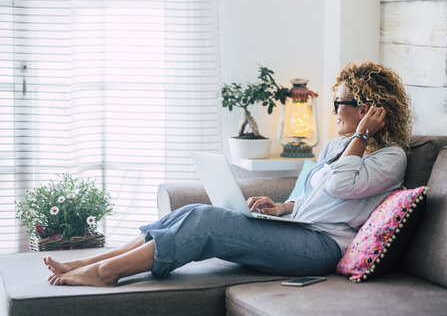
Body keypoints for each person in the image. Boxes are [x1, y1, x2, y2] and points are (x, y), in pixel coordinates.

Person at [44, 61, 412, 286]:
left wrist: (362, 135)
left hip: (322, 248)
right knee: (188, 212)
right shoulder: (337, 146)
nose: (334, 110)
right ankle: (91, 260)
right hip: (299, 229)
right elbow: (315, 196)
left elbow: (340, 183)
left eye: (340, 103)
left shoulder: (390, 158)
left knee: (206, 222)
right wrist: (282, 208)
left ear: (366, 109)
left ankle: (108, 273)